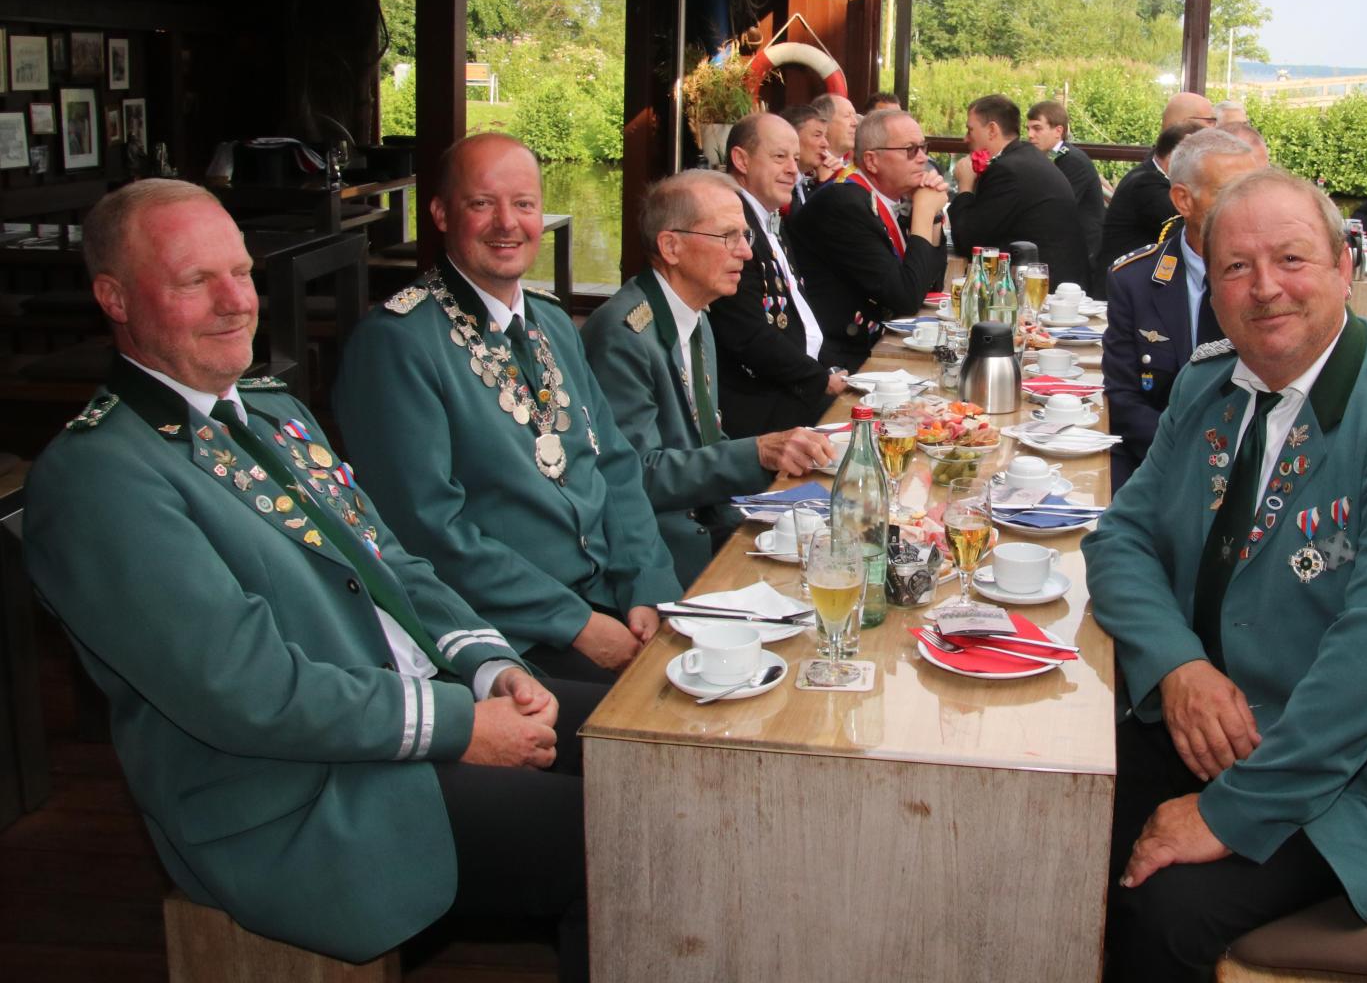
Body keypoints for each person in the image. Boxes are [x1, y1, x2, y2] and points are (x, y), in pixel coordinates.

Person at [26, 180, 598, 979]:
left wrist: (491, 665)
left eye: (243, 272)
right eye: (196, 282)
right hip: (298, 802)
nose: (236, 303)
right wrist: (461, 725)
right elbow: (249, 693)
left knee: (643, 743)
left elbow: (391, 562)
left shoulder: (266, 408)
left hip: (392, 721)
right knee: (621, 843)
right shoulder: (102, 478)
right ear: (113, 298)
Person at [1087, 167, 1367, 983]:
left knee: (1160, 913)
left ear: (1345, 267)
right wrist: (1179, 665)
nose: (1265, 288)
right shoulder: (1208, 382)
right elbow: (1120, 541)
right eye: (1236, 267)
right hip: (1208, 721)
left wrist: (1232, 816)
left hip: (1359, 776)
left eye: (1293, 260)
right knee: (1058, 817)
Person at [337, 134, 681, 682]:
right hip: (510, 638)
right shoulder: (397, 343)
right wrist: (577, 624)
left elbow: (614, 466)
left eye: (524, 204)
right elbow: (429, 531)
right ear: (441, 213)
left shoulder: (553, 324)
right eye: (481, 203)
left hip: (611, 600)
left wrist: (648, 587)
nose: (507, 223)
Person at [583, 171, 831, 587]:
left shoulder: (695, 315)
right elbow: (635, 476)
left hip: (712, 520)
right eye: (727, 237)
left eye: (746, 237)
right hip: (660, 558)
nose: (746, 254)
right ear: (671, 246)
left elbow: (702, 443)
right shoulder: (623, 336)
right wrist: (758, 454)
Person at [1102, 130, 1263, 488]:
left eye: (1250, 192)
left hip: (1252, 472)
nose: (1246, 207)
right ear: (1183, 200)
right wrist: (1186, 458)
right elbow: (1123, 399)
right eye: (1228, 193)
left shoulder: (1272, 284)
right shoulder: (1135, 280)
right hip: (1158, 465)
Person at [711, 113, 848, 436]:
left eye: (796, 159)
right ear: (741, 160)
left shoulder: (768, 219)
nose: (792, 169)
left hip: (798, 385)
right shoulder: (731, 223)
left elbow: (799, 313)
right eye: (779, 157)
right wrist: (821, 379)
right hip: (764, 410)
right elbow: (747, 335)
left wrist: (833, 370)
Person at [788, 108, 949, 372]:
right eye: (910, 149)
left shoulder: (886, 198)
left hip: (873, 345)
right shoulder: (843, 202)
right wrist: (923, 211)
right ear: (872, 161)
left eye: (923, 147)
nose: (923, 158)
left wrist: (930, 217)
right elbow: (906, 296)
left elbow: (931, 283)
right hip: (836, 360)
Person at [949, 93, 1090, 287]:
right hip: (1061, 276)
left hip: (1042, 287)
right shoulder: (1026, 156)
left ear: (992, 130)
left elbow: (968, 241)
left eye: (970, 130)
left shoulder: (1007, 171)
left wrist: (965, 187)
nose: (966, 138)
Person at [1099, 118, 1206, 273]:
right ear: (1176, 155)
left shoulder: (1149, 176)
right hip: (1124, 286)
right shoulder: (1147, 184)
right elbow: (1190, 229)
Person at [1027, 98, 1108, 291]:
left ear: (1058, 131)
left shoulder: (1072, 161)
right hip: (1066, 251)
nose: (1030, 135)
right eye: (1028, 128)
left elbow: (1056, 207)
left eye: (1037, 128)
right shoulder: (1055, 158)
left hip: (1080, 254)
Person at [784, 101, 835, 203]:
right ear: (793, 136)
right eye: (817, 135)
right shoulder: (779, 184)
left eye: (825, 136)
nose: (825, 144)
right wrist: (826, 185)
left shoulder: (806, 185)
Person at [813, 91, 859, 179]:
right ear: (824, 123)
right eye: (847, 116)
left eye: (855, 116)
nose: (855, 123)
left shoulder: (858, 166)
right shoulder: (806, 167)